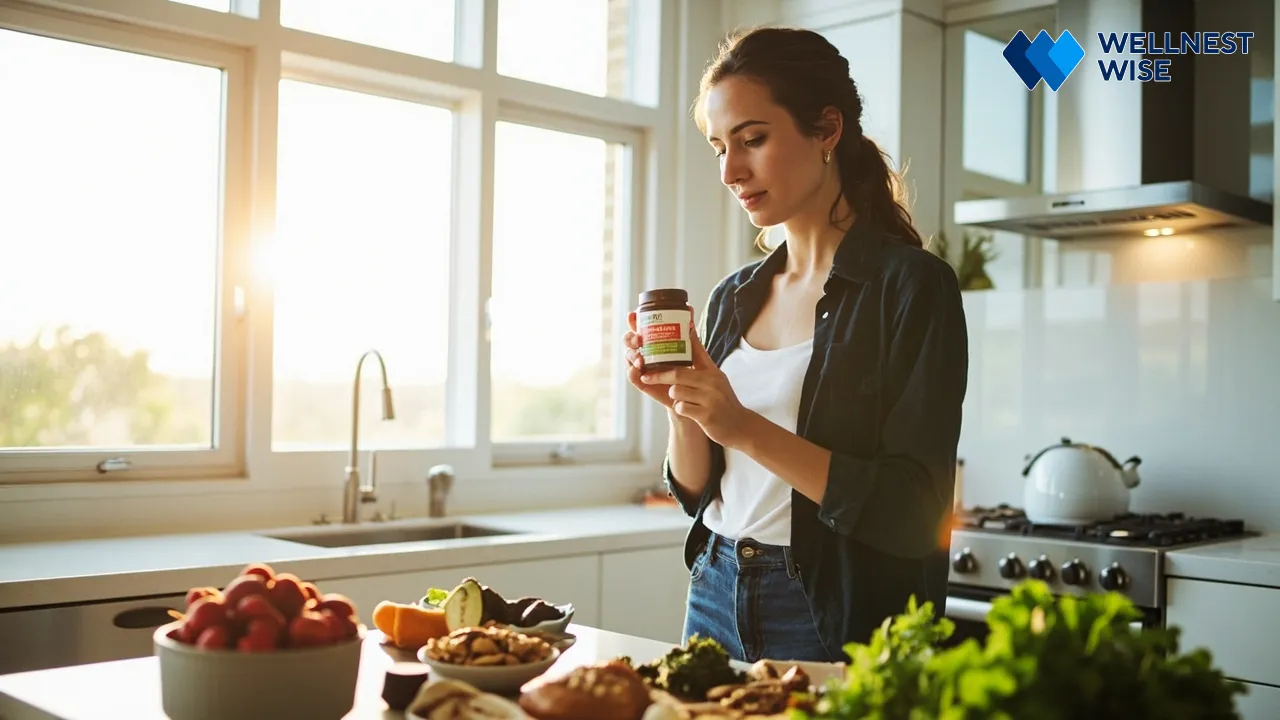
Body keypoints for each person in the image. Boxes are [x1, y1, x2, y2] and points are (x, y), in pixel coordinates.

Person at [623, 26, 969, 664]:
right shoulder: (735, 294)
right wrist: (682, 405)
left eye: (753, 139)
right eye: (719, 147)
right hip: (714, 589)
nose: (731, 171)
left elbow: (913, 510)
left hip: (832, 609)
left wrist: (743, 425)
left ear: (827, 129)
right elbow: (701, 492)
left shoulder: (913, 287)